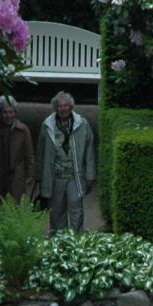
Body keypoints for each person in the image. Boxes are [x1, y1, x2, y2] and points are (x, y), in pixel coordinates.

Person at [38, 91, 97, 233]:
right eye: (59, 106)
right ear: (55, 108)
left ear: (71, 107)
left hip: (75, 176)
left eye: (65, 106)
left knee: (76, 208)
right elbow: (40, 151)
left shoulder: (82, 124)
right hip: (55, 176)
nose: (62, 109)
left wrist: (90, 175)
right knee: (56, 210)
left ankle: (76, 240)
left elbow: (89, 152)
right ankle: (59, 240)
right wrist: (38, 175)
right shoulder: (47, 125)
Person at [0, 95, 36, 206]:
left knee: (16, 206)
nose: (8, 115)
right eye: (5, 112)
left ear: (15, 112)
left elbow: (29, 154)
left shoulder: (23, 130)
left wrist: (30, 174)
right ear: (0, 113)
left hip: (16, 176)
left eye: (11, 112)